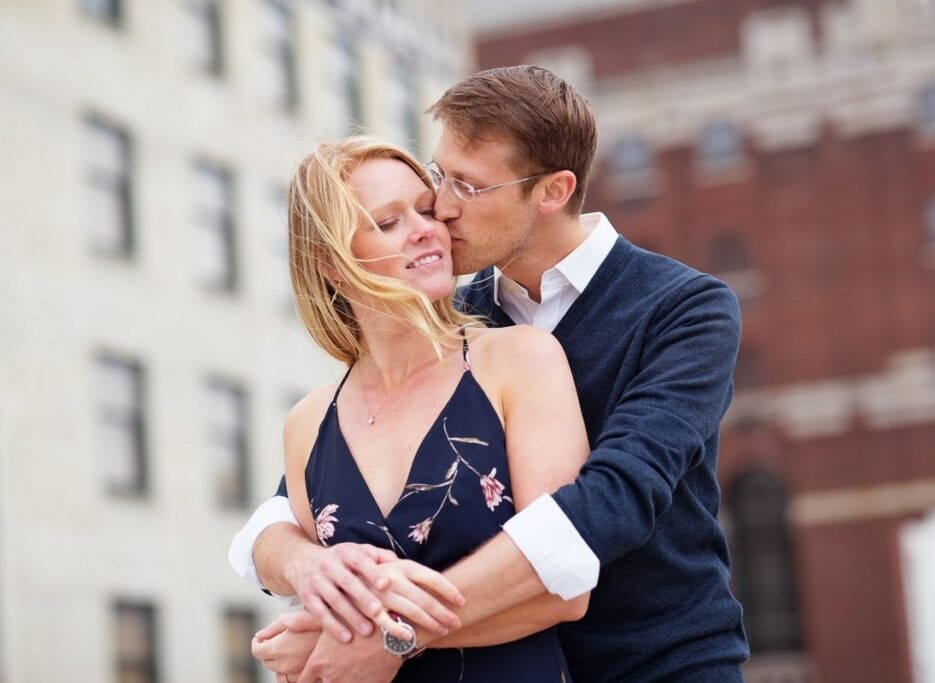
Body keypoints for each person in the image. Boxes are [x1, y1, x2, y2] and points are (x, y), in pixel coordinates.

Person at [235, 65, 749, 682]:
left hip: (659, 666)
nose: (442, 210)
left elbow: (614, 496)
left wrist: (394, 634)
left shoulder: (684, 309)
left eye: (468, 188)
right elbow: (288, 509)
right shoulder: (455, 316)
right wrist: (303, 569)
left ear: (553, 191)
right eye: (439, 177)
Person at [259, 135, 592, 682]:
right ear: (332, 265)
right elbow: (319, 605)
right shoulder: (307, 424)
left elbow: (565, 588)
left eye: (425, 208)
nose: (425, 229)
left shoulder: (519, 361)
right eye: (387, 223)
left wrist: (389, 639)